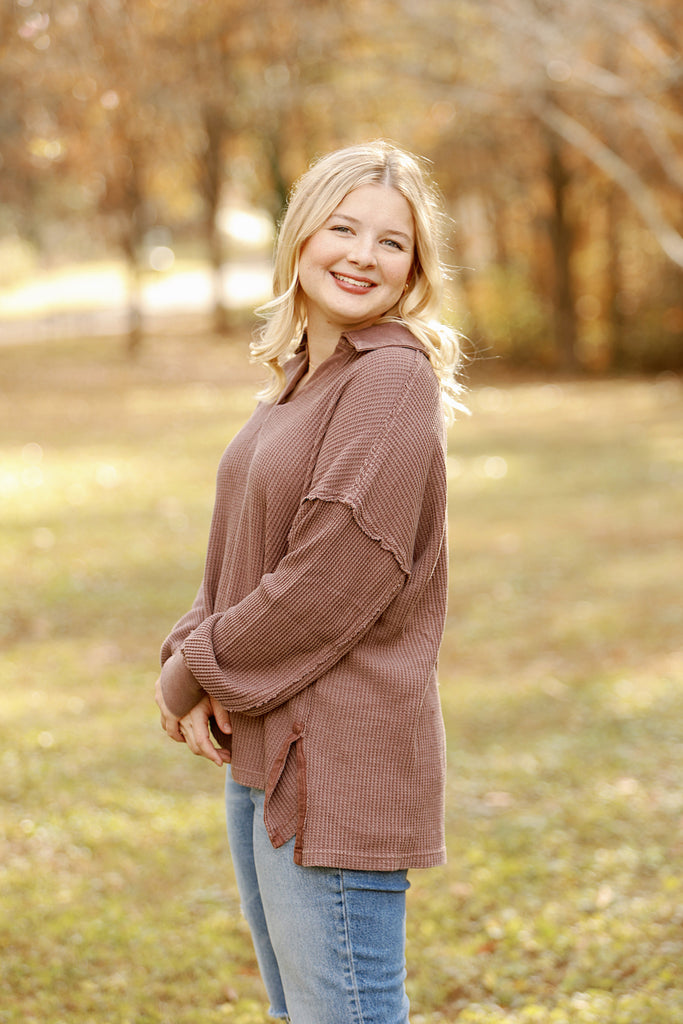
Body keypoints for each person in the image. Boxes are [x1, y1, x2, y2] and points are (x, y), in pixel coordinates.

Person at [155, 140, 466, 1024]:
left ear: (414, 269)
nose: (363, 256)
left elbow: (331, 578)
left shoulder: (390, 379)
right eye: (343, 229)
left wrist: (190, 671)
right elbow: (244, 552)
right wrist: (189, 648)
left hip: (336, 762)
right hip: (266, 744)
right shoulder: (303, 378)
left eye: (391, 242)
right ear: (300, 235)